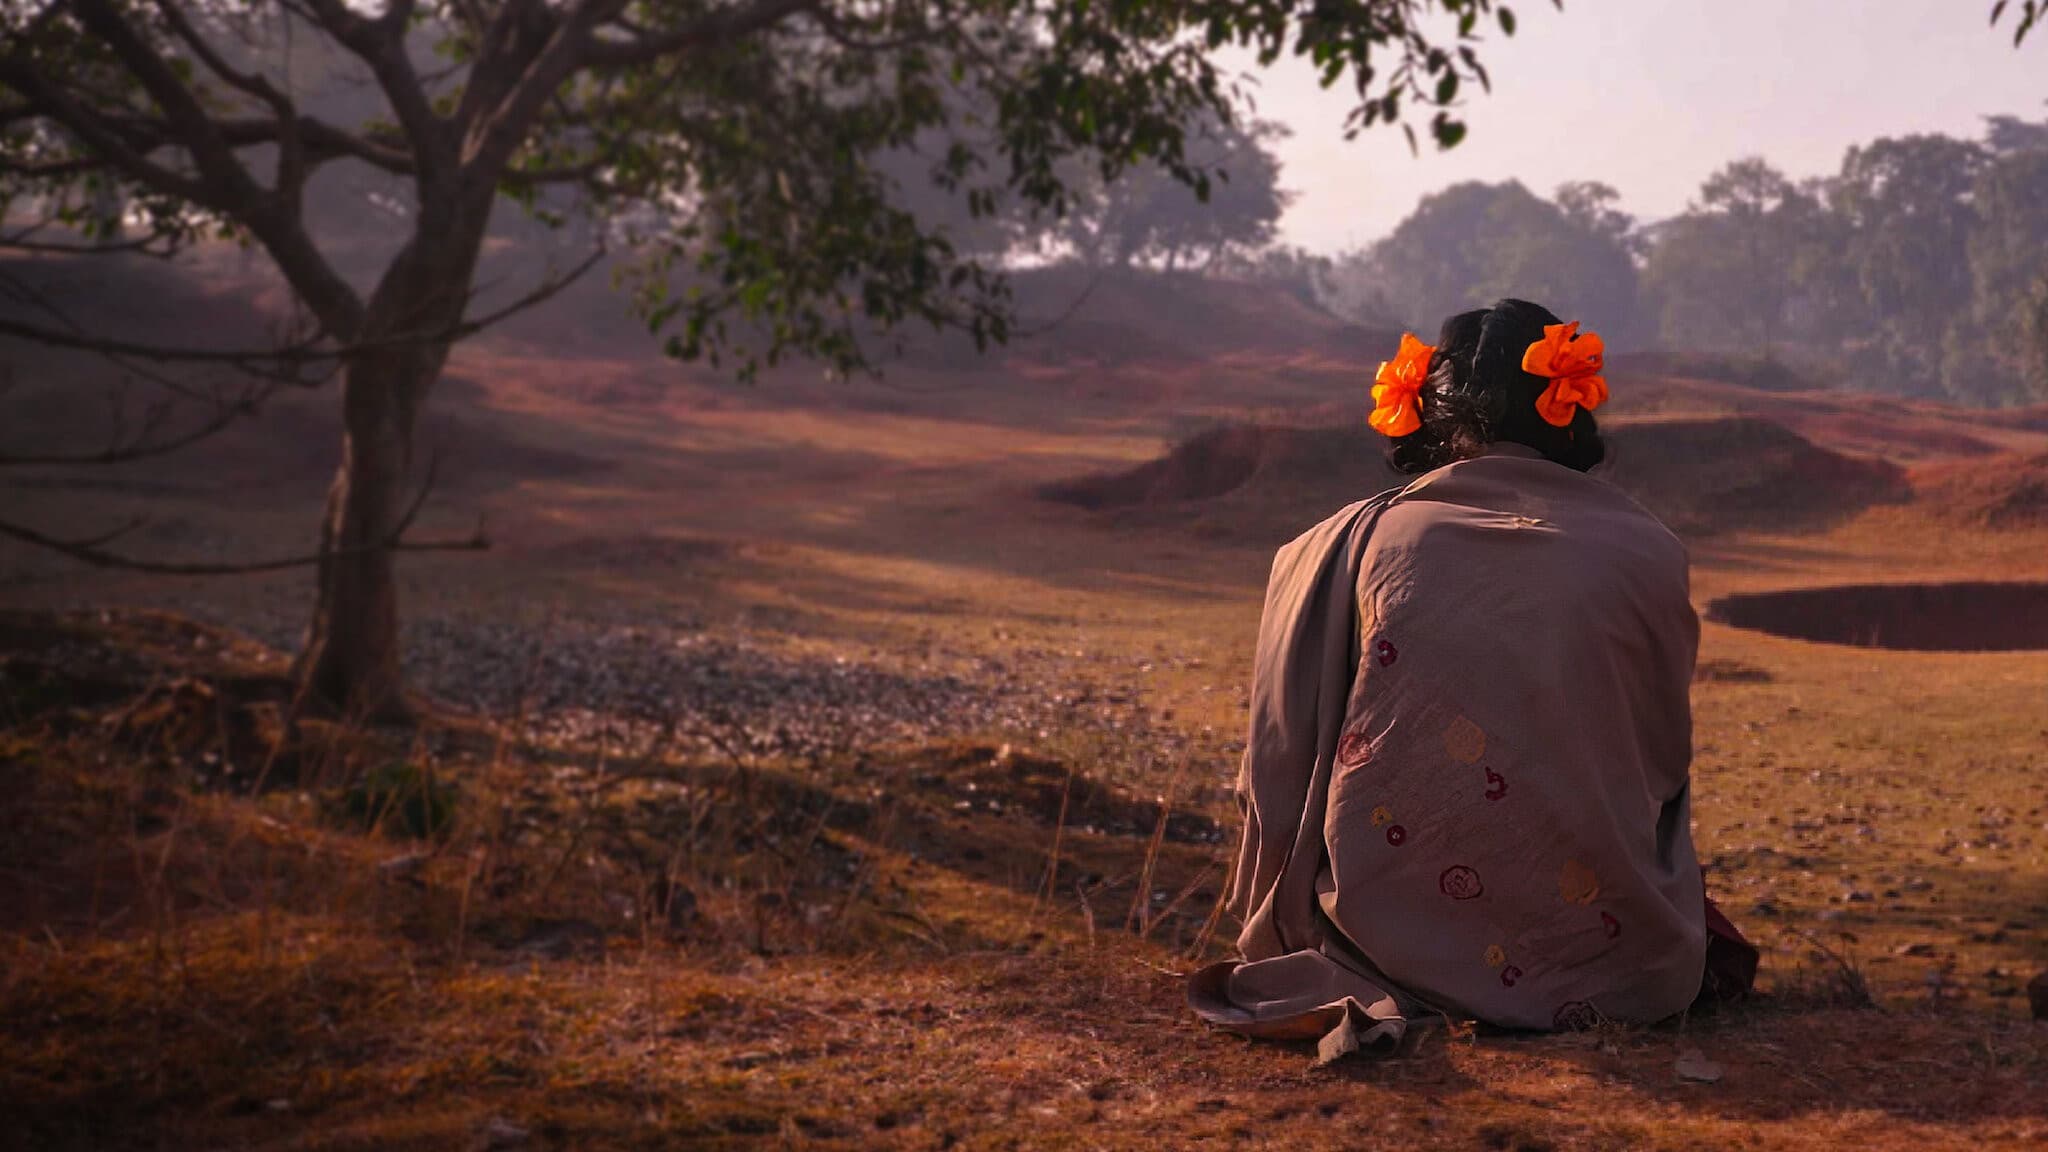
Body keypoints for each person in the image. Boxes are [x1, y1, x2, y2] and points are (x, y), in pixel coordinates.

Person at [1188, 299, 1754, 1057]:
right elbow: (1658, 769)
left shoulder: (1340, 546)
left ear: (1426, 410)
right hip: (1618, 957)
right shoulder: (1649, 551)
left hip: (1385, 944)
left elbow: (1277, 762)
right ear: (1568, 405)